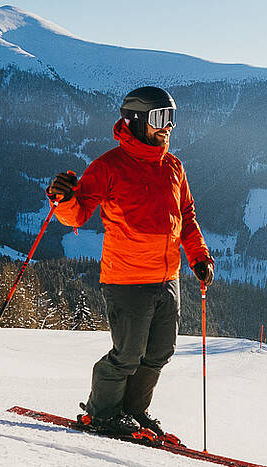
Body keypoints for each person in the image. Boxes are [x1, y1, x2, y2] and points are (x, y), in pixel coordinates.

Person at [46, 86, 213, 437]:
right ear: (135, 121)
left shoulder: (173, 166)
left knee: (160, 352)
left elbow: (186, 215)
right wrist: (61, 200)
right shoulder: (109, 167)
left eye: (171, 118)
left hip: (167, 277)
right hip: (127, 279)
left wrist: (198, 256)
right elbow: (78, 214)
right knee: (127, 354)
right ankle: (102, 413)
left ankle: (134, 413)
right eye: (158, 118)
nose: (167, 126)